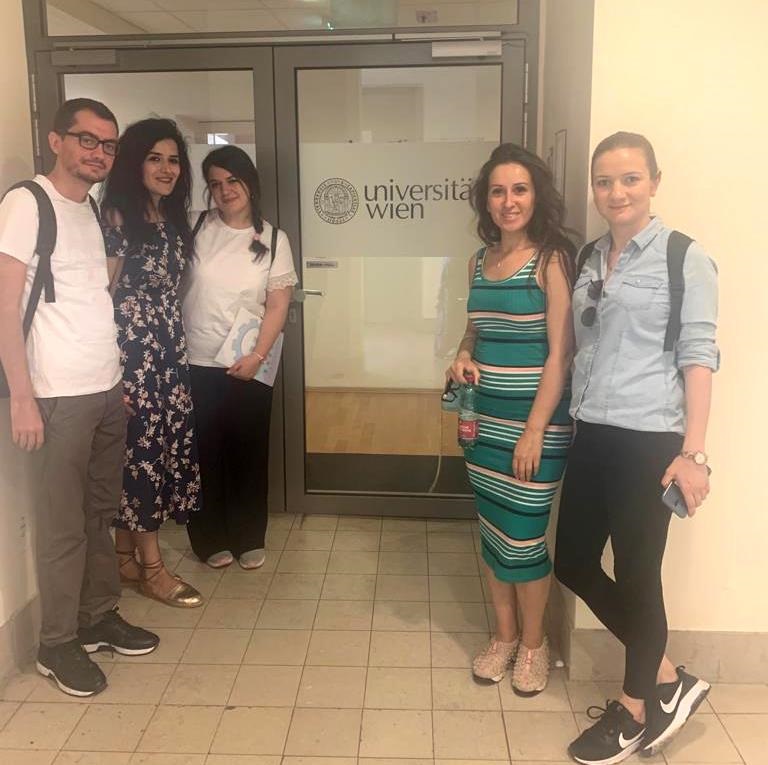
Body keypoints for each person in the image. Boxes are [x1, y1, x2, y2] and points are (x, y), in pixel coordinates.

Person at [555, 132, 718, 764]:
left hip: (650, 439)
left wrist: (693, 454)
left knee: (637, 573)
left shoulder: (684, 257)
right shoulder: (590, 256)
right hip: (591, 430)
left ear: (654, 181)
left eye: (629, 178)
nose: (615, 192)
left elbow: (698, 357)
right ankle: (670, 679)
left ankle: (635, 710)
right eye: (604, 181)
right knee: (572, 561)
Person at [0, 98, 159, 697]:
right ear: (56, 141)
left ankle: (96, 618)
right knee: (63, 525)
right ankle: (56, 642)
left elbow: (92, 301)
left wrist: (114, 384)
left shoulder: (90, 208)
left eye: (107, 144)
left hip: (103, 390)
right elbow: (4, 307)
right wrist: (21, 397)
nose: (98, 152)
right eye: (86, 139)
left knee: (98, 514)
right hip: (55, 396)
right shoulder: (27, 203)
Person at [448, 143, 575, 695]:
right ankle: (503, 637)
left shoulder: (551, 261)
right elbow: (475, 330)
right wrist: (461, 355)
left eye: (519, 189)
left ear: (536, 195)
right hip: (483, 422)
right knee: (494, 532)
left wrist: (534, 431)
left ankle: (534, 644)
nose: (508, 201)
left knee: (523, 537)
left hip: (534, 427)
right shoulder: (478, 262)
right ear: (486, 200)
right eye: (498, 191)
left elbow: (560, 355)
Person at [101, 118, 203, 608]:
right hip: (132, 355)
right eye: (154, 158)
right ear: (134, 163)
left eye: (174, 160)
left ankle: (125, 559)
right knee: (141, 458)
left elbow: (174, 289)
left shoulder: (171, 218)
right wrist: (113, 371)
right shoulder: (118, 218)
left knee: (156, 454)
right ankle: (154, 569)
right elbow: (101, 296)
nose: (167, 169)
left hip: (167, 351)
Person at [182, 145, 297, 569]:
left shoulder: (274, 238)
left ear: (249, 182)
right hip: (195, 361)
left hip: (248, 362)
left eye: (232, 180)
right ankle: (209, 538)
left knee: (248, 452)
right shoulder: (194, 226)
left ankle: (249, 537)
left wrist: (258, 354)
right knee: (204, 454)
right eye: (215, 184)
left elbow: (278, 304)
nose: (225, 190)